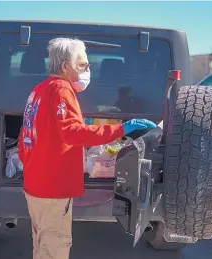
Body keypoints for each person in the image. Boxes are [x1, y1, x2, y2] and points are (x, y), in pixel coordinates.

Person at [18, 37, 156, 259]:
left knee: (42, 242)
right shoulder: (61, 90)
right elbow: (73, 133)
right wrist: (122, 129)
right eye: (82, 64)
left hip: (34, 184)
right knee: (55, 246)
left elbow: (25, 136)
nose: (87, 69)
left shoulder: (38, 90)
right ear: (65, 66)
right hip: (53, 188)